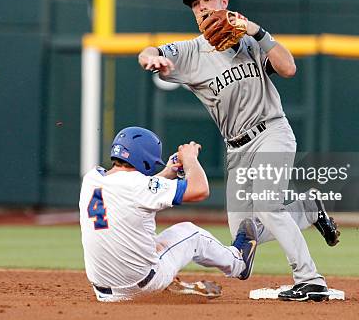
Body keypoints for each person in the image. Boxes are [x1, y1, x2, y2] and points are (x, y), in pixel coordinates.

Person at [137, 0, 340, 302]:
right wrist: (150, 59)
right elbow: (150, 51)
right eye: (195, 5)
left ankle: (310, 279)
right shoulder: (190, 52)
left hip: (272, 131)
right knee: (243, 236)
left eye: (207, 1)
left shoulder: (250, 41)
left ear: (224, 3)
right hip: (238, 148)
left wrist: (256, 31)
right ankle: (309, 209)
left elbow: (288, 69)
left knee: (266, 202)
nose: (201, 7)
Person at [79, 126, 259, 302]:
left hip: (104, 292)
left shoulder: (92, 178)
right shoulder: (138, 186)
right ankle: (238, 263)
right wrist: (190, 160)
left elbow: (134, 190)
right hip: (141, 286)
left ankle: (167, 287)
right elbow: (200, 190)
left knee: (150, 243)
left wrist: (167, 173)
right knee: (192, 233)